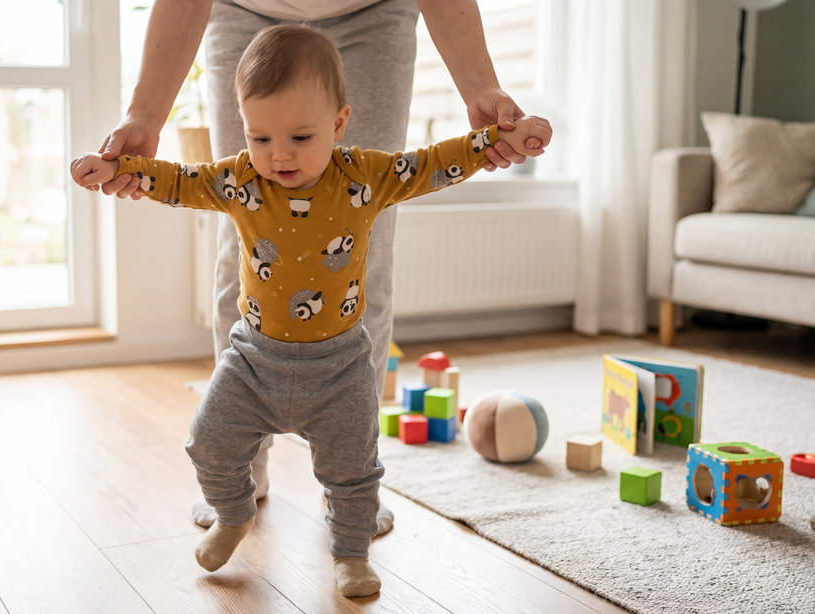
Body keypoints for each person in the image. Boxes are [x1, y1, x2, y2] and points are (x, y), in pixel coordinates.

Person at [72, 24, 550, 597]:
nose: (279, 156)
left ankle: (350, 554)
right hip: (253, 359)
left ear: (340, 123)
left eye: (300, 137)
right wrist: (121, 170)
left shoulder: (365, 176)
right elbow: (180, 181)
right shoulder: (240, 179)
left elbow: (431, 163)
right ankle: (234, 515)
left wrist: (498, 140)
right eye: (260, 137)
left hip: (340, 365)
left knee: (353, 474)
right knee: (207, 441)